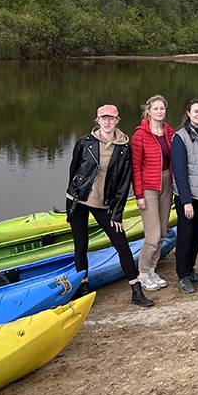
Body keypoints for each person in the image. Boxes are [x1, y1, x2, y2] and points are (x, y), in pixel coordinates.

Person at [66, 104, 153, 307]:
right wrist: (72, 197)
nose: (107, 122)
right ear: (97, 121)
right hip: (78, 200)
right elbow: (74, 170)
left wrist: (117, 214)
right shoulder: (85, 142)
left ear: (117, 121)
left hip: (103, 205)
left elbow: (124, 183)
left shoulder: (124, 148)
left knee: (121, 244)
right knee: (81, 245)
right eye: (103, 118)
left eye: (111, 118)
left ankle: (136, 290)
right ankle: (84, 288)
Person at [171, 99, 198, 294]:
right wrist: (186, 201)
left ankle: (191, 270)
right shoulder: (180, 137)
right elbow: (180, 172)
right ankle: (182, 276)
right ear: (188, 113)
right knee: (185, 237)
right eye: (196, 111)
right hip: (187, 197)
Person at [131, 95, 175, 292]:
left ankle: (152, 270)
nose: (159, 111)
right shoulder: (140, 135)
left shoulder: (168, 131)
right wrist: (139, 195)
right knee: (153, 234)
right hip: (149, 186)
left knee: (163, 232)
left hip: (167, 183)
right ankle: (142, 272)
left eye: (162, 109)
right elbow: (135, 167)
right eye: (156, 108)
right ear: (148, 111)